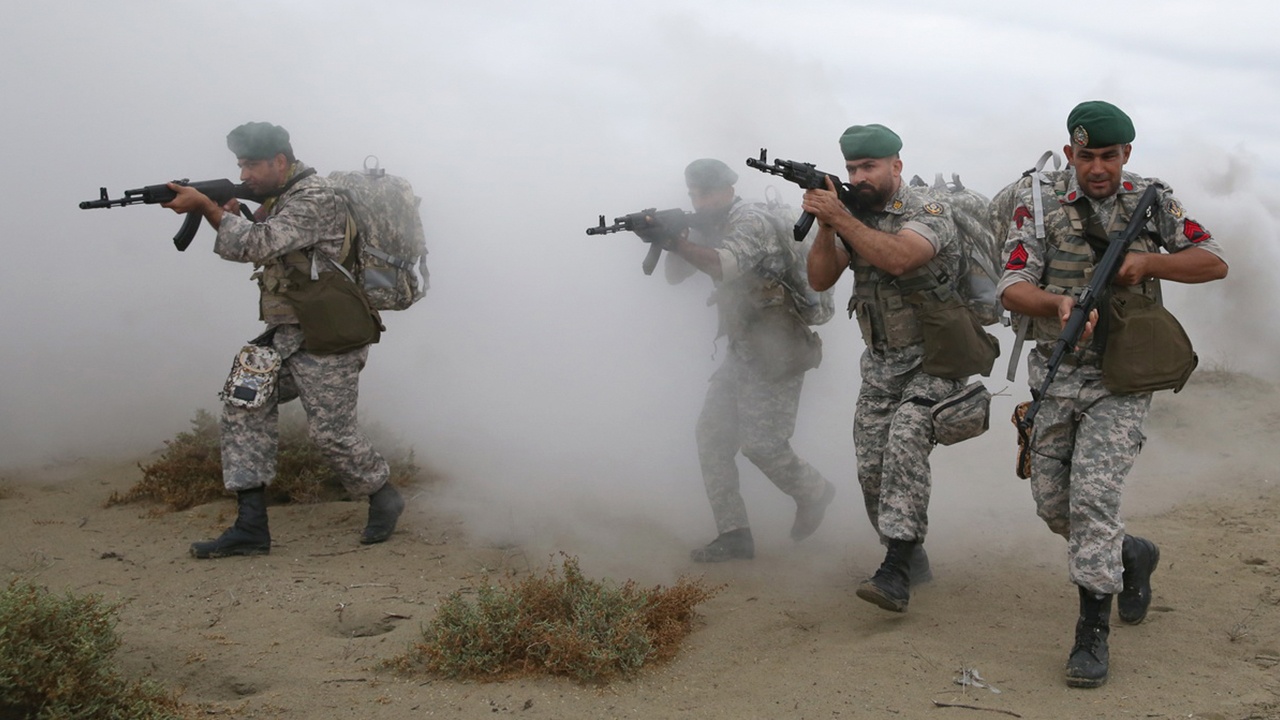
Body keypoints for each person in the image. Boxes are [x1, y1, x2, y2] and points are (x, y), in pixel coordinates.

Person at [997, 101, 1227, 688]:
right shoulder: (1040, 200)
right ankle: (1131, 555)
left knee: (1093, 500)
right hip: (1055, 368)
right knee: (1055, 506)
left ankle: (1091, 633)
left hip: (1122, 377)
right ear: (1069, 152)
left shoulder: (1154, 198)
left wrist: (1148, 261)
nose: (1096, 167)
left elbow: (1213, 260)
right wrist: (1056, 304)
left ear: (1127, 154)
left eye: (1108, 156)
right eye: (1084, 155)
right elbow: (1011, 284)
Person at [161, 122, 405, 558]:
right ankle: (250, 526)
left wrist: (208, 208)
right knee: (242, 402)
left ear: (280, 161)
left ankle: (383, 494)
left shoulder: (315, 198)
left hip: (329, 336)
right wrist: (231, 213)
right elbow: (268, 248)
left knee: (332, 433)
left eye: (252, 164)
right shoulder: (282, 199)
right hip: (288, 333)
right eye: (240, 164)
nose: (245, 172)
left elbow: (259, 245)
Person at [802, 124, 965, 613]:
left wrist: (844, 218)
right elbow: (819, 278)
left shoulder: (928, 210)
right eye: (852, 168)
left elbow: (900, 258)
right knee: (871, 470)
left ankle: (894, 567)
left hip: (936, 357)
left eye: (869, 166)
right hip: (881, 364)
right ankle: (910, 556)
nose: (860, 175)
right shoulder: (858, 214)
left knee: (905, 442)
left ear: (896, 164)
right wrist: (829, 224)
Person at [662, 158, 836, 563]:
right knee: (712, 436)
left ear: (727, 189)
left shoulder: (750, 220)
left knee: (762, 445)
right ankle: (734, 534)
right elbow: (674, 276)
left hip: (778, 347)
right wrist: (673, 238)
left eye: (705, 193)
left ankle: (815, 491)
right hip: (744, 348)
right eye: (693, 194)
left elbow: (725, 264)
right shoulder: (712, 224)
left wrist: (679, 242)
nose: (699, 200)